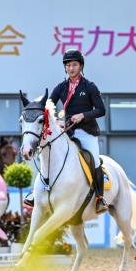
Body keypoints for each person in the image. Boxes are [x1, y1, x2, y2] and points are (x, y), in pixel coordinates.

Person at [25, 50, 108, 213]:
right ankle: (36, 192)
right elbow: (48, 106)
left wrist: (83, 115)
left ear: (81, 66)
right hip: (67, 131)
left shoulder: (90, 87)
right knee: (48, 154)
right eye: (68, 65)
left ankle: (99, 198)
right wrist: (55, 121)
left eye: (74, 65)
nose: (71, 68)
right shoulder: (61, 87)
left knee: (94, 161)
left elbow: (101, 110)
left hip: (87, 132)